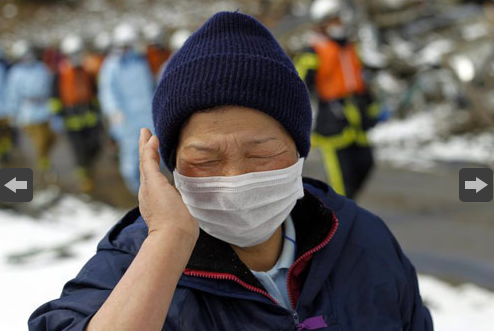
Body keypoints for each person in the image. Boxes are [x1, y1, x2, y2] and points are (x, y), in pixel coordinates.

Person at [29, 12, 432, 330]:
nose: (236, 178)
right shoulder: (132, 268)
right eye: (205, 161)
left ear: (297, 150)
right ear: (170, 167)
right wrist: (168, 242)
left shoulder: (364, 240)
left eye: (261, 154)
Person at [294, 0, 380, 199]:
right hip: (332, 125)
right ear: (322, 23)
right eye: (333, 20)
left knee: (366, 163)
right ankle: (341, 219)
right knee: (342, 183)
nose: (338, 23)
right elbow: (299, 85)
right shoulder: (313, 51)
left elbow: (362, 82)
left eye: (339, 19)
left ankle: (347, 209)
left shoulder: (349, 47)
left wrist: (372, 109)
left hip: (357, 122)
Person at [98, 23, 155, 194]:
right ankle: (137, 193)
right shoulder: (111, 66)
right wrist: (113, 111)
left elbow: (149, 87)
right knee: (131, 157)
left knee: (152, 152)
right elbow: (107, 91)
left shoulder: (141, 62)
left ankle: (154, 189)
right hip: (126, 120)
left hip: (147, 116)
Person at [50, 35, 102, 192]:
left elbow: (94, 92)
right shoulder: (60, 75)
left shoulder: (87, 72)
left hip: (89, 117)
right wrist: (58, 116)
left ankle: (88, 167)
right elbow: (54, 97)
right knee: (79, 151)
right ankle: (85, 178)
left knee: (96, 146)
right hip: (71, 119)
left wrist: (97, 111)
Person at [4, 40, 55, 176]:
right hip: (28, 113)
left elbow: (50, 85)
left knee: (51, 137)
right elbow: (13, 94)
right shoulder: (16, 73)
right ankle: (44, 163)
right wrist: (13, 113)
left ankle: (44, 157)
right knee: (40, 140)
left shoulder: (41, 67)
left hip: (45, 109)